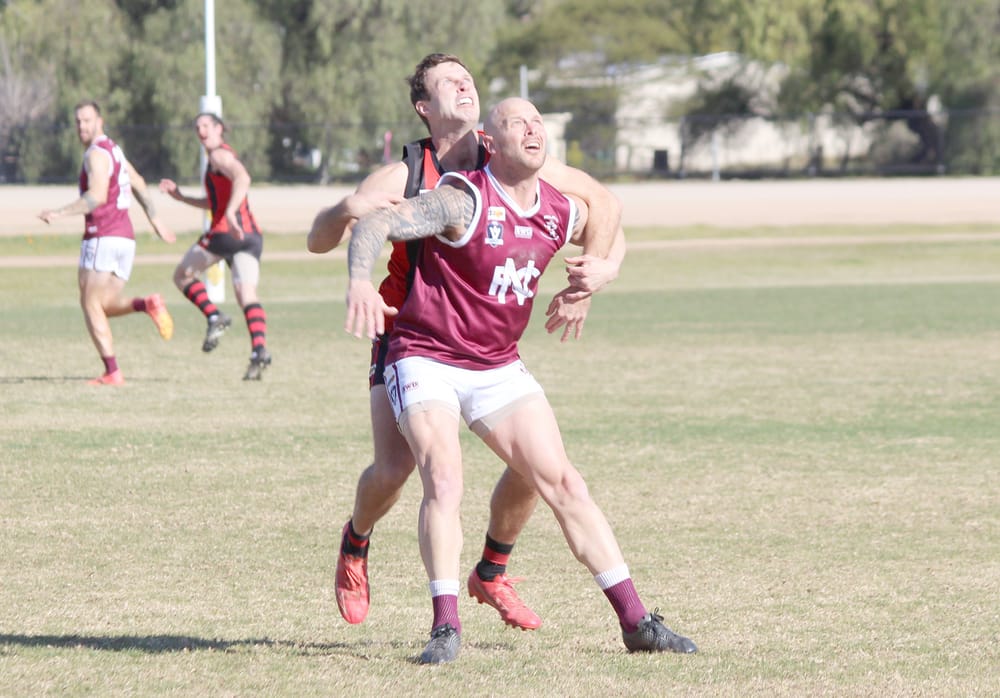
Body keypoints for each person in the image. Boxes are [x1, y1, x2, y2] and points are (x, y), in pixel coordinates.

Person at [345, 97, 696, 664]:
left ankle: (637, 622)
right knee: (443, 474)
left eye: (538, 123)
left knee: (564, 482)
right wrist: (360, 279)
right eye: (517, 124)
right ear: (493, 140)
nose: (532, 130)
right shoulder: (463, 198)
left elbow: (608, 221)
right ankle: (445, 626)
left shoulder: (559, 209)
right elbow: (380, 222)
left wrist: (603, 270)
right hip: (425, 354)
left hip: (495, 362)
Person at [308, 53, 625, 631]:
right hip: (409, 333)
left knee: (534, 466)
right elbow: (319, 238)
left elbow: (601, 206)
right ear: (423, 107)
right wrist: (345, 210)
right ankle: (356, 541)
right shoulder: (402, 176)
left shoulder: (505, 153)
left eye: (469, 78)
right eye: (447, 81)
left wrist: (600, 271)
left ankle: (491, 570)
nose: (465, 85)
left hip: (487, 346)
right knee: (394, 472)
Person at [38, 99, 176, 386]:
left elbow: (97, 196)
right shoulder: (115, 150)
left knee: (89, 304)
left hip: (103, 235)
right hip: (125, 239)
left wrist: (59, 213)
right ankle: (146, 304)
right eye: (77, 121)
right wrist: (154, 218)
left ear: (100, 120)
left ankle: (112, 372)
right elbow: (137, 181)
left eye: (87, 120)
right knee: (104, 305)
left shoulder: (95, 155)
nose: (81, 126)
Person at [159, 112, 271, 381]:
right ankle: (259, 351)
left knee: (182, 275)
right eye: (197, 127)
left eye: (206, 125)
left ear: (219, 128)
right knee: (247, 294)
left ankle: (214, 316)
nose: (201, 131)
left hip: (226, 233)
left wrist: (231, 213)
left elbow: (243, 178)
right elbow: (213, 203)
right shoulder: (217, 159)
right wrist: (181, 197)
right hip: (250, 235)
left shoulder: (220, 156)